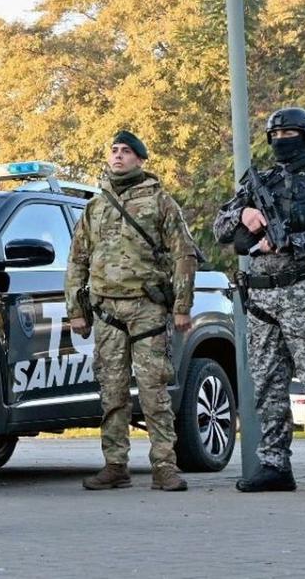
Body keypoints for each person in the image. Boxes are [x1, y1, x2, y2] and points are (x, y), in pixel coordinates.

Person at [213, 107, 305, 494]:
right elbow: (220, 227)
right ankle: (275, 463)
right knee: (267, 384)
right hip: (261, 297)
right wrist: (244, 214)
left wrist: (294, 241)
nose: (281, 140)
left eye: (289, 133)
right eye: (275, 134)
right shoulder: (259, 182)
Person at [65, 130, 197, 492]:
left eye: (126, 151)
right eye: (114, 150)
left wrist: (182, 306)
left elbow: (184, 254)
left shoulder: (160, 201)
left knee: (154, 389)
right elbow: (77, 259)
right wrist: (76, 309)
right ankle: (115, 464)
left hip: (147, 308)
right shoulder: (95, 206)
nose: (118, 156)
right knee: (112, 390)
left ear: (140, 159)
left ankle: (164, 466)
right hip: (106, 310)